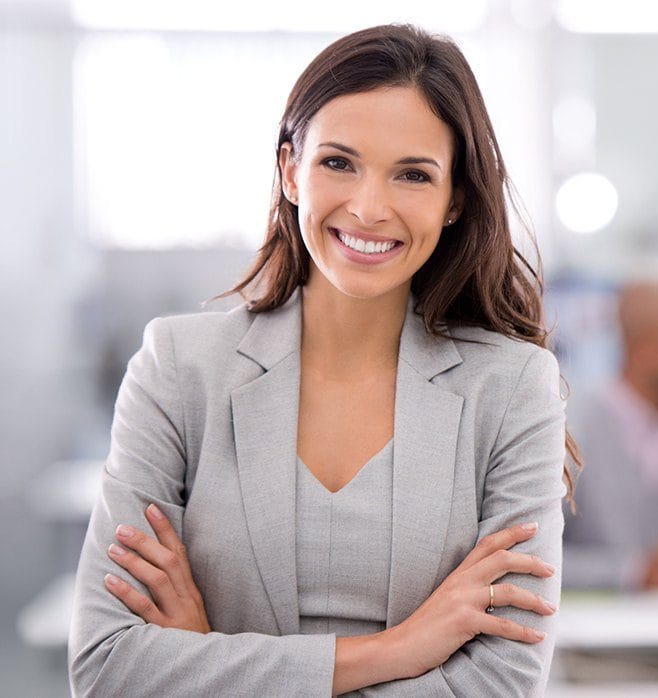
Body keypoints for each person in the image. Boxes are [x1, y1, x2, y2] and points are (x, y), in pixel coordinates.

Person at [68, 24, 578, 696]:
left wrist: (208, 662)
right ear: (290, 170)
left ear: (454, 199)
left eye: (412, 174)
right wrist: (396, 650)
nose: (368, 207)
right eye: (338, 162)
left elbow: (501, 682)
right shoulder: (180, 368)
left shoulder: (511, 387)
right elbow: (107, 667)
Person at [562, 280, 658, 591]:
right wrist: (633, 572)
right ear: (643, 349)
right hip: (593, 635)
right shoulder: (570, 431)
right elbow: (533, 558)